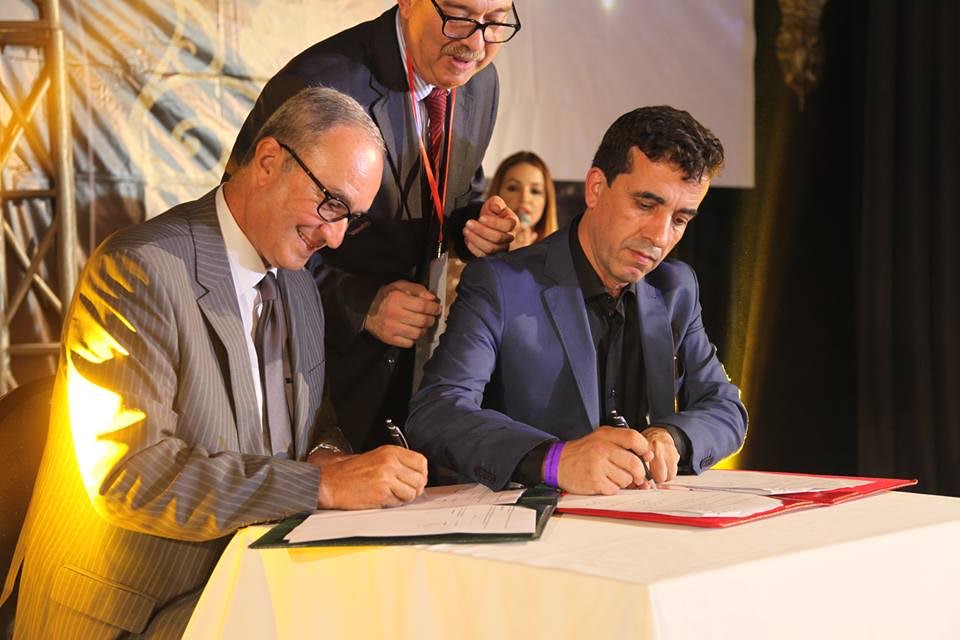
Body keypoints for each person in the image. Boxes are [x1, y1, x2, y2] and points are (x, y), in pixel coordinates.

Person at [2, 87, 429, 639]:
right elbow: (130, 475)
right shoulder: (139, 269)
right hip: (134, 612)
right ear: (269, 161)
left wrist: (328, 456)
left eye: (354, 218)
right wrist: (318, 485)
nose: (336, 235)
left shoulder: (300, 288)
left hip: (247, 587)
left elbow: (312, 427)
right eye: (331, 203)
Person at [225, 0, 524, 452]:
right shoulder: (319, 83)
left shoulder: (481, 82)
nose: (476, 43)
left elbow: (456, 190)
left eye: (496, 22)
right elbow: (246, 230)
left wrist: (474, 227)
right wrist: (363, 305)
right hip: (318, 370)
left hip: (415, 372)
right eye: (459, 16)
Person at [406, 105, 748, 494]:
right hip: (526, 521)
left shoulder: (676, 287)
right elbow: (437, 412)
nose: (660, 236)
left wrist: (674, 438)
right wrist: (554, 460)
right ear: (596, 188)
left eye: (680, 220)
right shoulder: (501, 283)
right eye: (645, 205)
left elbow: (726, 409)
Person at [446, 150, 558, 309]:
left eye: (535, 191)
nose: (525, 198)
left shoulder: (560, 258)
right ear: (497, 191)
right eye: (513, 188)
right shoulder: (466, 249)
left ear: (547, 201)